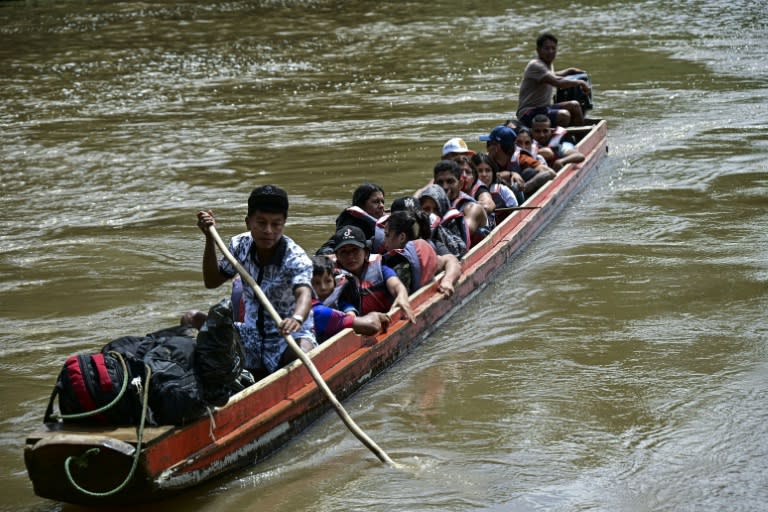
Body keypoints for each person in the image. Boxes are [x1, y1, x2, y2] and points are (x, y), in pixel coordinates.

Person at [197, 185, 316, 380]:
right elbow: (212, 281)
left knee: (302, 353)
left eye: (276, 224)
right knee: (192, 320)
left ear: (284, 224)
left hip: (286, 336)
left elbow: (304, 292)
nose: (268, 231)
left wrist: (296, 318)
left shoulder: (295, 257)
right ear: (248, 222)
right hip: (250, 336)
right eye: (261, 223)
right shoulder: (239, 245)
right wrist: (209, 239)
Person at [332, 225, 416, 323]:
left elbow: (396, 285)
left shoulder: (381, 269)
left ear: (366, 253)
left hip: (385, 319)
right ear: (337, 256)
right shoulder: (332, 278)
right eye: (343, 252)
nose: (350, 256)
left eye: (355, 249)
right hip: (352, 324)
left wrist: (402, 295)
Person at [516, 32, 591, 128]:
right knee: (564, 115)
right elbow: (557, 82)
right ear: (538, 50)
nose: (550, 51)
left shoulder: (547, 64)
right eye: (547, 48)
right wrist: (581, 83)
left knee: (575, 105)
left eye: (553, 48)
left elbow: (554, 76)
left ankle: (581, 137)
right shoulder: (536, 65)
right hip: (528, 113)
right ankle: (559, 139)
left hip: (543, 108)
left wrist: (569, 71)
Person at [310, 255, 391, 342]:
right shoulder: (320, 312)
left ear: (334, 281)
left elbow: (342, 304)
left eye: (328, 281)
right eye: (316, 283)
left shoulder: (297, 299)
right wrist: (375, 315)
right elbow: (372, 325)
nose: (323, 287)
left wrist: (350, 312)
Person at [382, 210, 462, 298]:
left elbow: (451, 259)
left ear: (402, 237)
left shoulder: (420, 257)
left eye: (387, 235)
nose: (384, 240)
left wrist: (447, 280)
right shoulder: (419, 255)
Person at [480, 124, 555, 198]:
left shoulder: (521, 158)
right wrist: (509, 174)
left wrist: (524, 187)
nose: (487, 148)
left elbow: (550, 172)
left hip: (520, 195)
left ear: (496, 147)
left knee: (529, 173)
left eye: (488, 144)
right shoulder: (485, 160)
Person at [316, 182, 386, 255]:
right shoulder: (350, 225)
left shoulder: (386, 223)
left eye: (382, 202)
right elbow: (327, 248)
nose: (381, 206)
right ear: (361, 205)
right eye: (376, 202)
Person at [432, 159, 489, 245]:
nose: (445, 187)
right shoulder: (432, 205)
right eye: (440, 182)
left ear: (460, 184)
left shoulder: (473, 209)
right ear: (434, 184)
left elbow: (460, 238)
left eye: (450, 181)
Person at [417, 184, 470, 259]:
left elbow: (460, 251)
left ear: (443, 208)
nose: (431, 213)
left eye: (436, 209)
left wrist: (436, 227)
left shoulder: (451, 221)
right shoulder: (417, 223)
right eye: (426, 209)